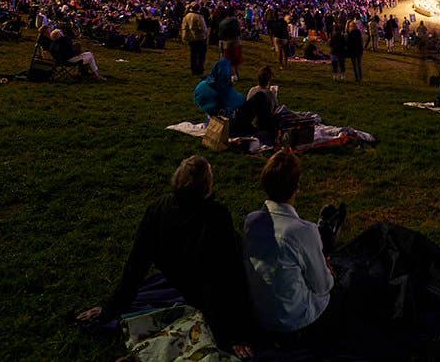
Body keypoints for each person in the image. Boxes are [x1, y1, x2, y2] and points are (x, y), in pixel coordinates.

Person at [78, 156, 253, 358]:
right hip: (204, 293)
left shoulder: (159, 208)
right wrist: (237, 333)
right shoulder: (215, 216)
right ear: (207, 184)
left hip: (179, 279)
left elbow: (136, 264)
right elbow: (229, 275)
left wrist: (111, 308)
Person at [242, 150, 336, 337]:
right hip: (294, 322)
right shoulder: (302, 231)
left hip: (261, 316)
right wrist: (328, 273)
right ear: (296, 186)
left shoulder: (251, 222)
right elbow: (322, 286)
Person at [235, 67, 279, 136]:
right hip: (261, 125)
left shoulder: (253, 90)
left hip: (251, 123)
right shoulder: (269, 94)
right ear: (269, 80)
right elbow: (275, 110)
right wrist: (274, 96)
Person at [182, 6, 209, 77]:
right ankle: (200, 70)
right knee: (201, 55)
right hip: (199, 38)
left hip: (191, 38)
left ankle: (193, 70)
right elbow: (203, 28)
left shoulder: (187, 16)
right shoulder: (198, 16)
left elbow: (184, 27)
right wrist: (206, 34)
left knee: (193, 54)